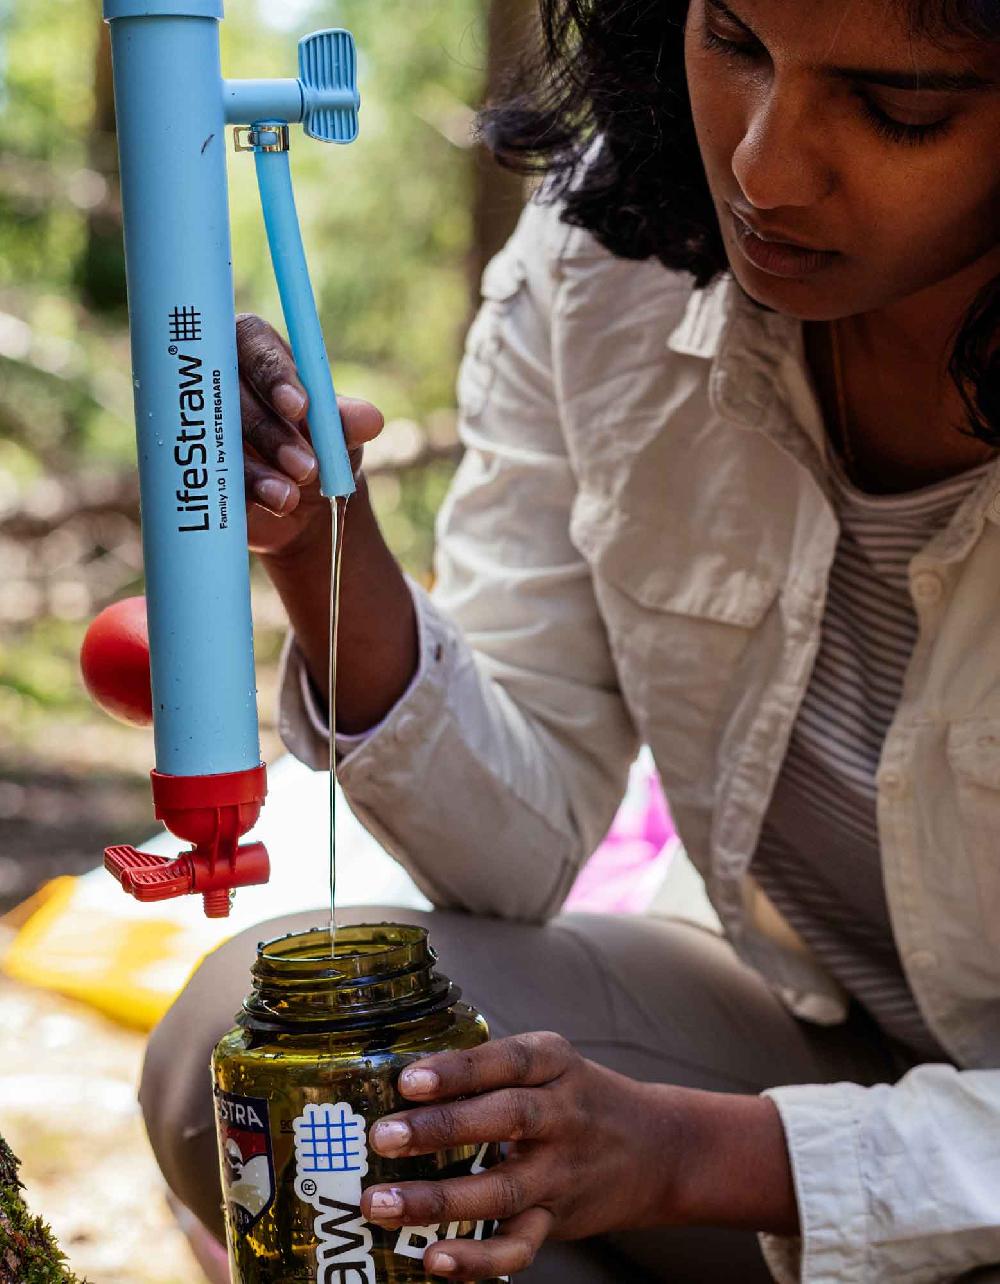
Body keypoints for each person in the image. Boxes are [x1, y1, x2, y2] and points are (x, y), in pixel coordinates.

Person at [139, 0, 1000, 1279]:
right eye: (736, 45)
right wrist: (322, 546)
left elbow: (697, 1155)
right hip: (818, 1037)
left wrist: (693, 1156)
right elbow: (515, 843)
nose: (762, 166)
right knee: (298, 1075)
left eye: (899, 107)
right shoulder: (616, 254)